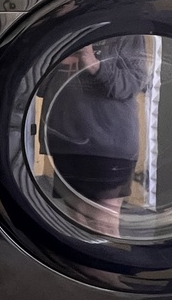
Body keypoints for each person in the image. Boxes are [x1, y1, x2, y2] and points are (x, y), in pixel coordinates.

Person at [41, 36, 151, 238]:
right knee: (76, 222)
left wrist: (91, 62)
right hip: (63, 139)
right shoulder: (66, 27)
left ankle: (108, 270)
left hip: (108, 143)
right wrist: (51, 60)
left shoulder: (126, 28)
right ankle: (75, 270)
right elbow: (38, 88)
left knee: (103, 226)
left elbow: (131, 84)